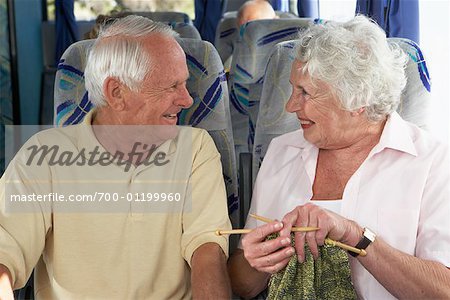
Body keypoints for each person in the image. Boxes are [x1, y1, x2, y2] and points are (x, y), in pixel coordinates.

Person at [0, 16, 232, 299]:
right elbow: (4, 251)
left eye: (185, 84)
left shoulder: (196, 148)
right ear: (117, 93)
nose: (187, 100)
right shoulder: (42, 157)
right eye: (172, 86)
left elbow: (207, 250)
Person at [228, 15, 450, 299]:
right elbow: (242, 286)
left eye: (305, 93)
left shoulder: (431, 161)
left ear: (356, 99)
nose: (289, 105)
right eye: (292, 89)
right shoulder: (282, 151)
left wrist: (355, 236)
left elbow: (443, 290)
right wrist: (256, 262)